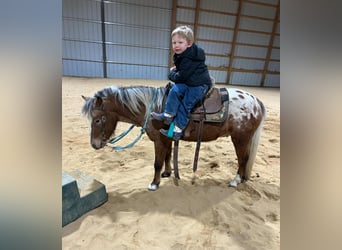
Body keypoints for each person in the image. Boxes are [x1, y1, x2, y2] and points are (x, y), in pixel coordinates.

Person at [151, 26, 212, 140]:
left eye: (180, 42)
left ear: (189, 44)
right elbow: (183, 73)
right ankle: (168, 115)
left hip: (199, 85)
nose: (176, 45)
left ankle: (177, 130)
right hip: (190, 81)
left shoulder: (189, 57)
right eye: (174, 42)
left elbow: (181, 76)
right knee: (175, 90)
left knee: (185, 104)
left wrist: (171, 74)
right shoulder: (184, 54)